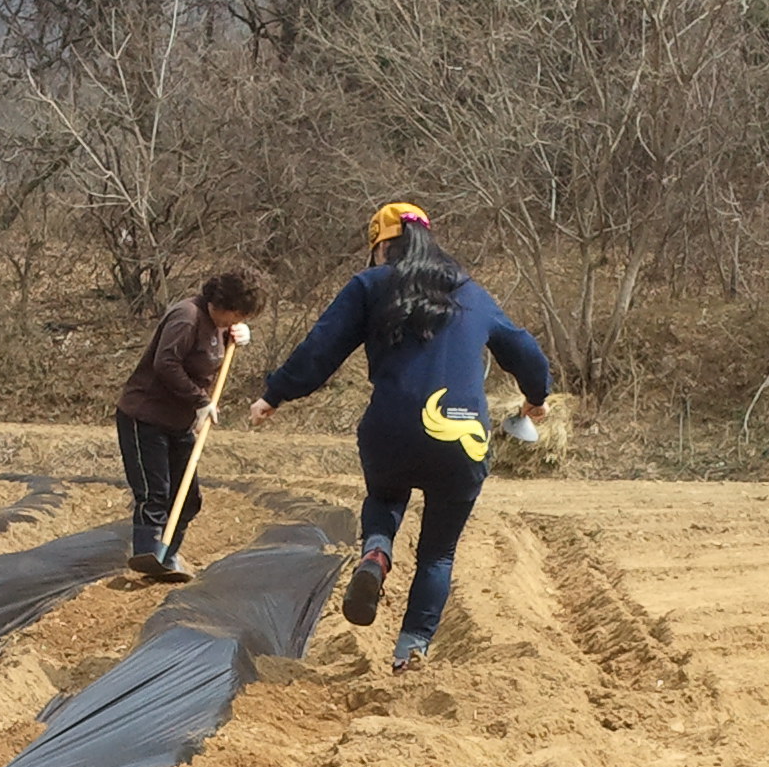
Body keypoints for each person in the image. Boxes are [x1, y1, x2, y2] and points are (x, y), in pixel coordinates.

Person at [249, 203, 549, 670]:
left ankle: (376, 554)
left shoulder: (370, 285)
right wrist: (537, 397)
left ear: (383, 245)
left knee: (385, 497)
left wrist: (275, 394)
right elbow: (525, 350)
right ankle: (410, 650)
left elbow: (321, 348)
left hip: (393, 427)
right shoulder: (472, 293)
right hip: (464, 435)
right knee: (438, 553)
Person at [115, 266, 263, 581]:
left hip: (178, 422)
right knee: (155, 493)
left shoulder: (220, 325)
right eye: (237, 315)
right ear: (222, 304)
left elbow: (211, 351)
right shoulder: (187, 317)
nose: (238, 321)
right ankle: (148, 555)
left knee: (188, 499)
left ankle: (167, 557)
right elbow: (166, 363)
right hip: (146, 417)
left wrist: (236, 335)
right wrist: (201, 401)